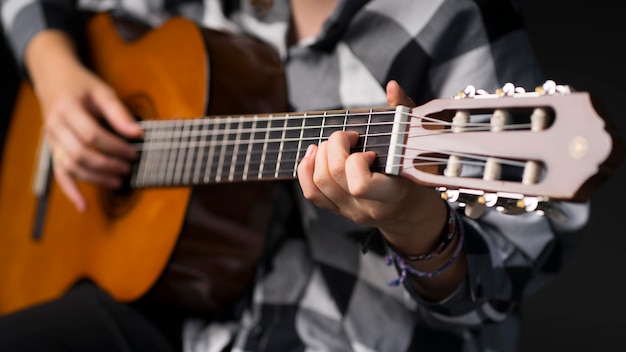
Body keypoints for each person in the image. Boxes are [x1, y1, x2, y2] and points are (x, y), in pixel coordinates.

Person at [0, 0, 589, 351]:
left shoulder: (447, 15)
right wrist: (53, 71)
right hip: (177, 313)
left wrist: (417, 225)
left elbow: (505, 280)